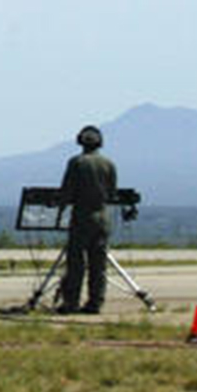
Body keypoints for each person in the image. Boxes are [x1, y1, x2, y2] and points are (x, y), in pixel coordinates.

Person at [57, 125, 117, 314]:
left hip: (82, 217)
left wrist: (60, 206)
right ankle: (95, 303)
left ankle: (71, 302)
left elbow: (67, 191)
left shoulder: (76, 162)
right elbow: (112, 193)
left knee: (76, 263)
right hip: (102, 218)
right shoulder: (108, 164)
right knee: (98, 265)